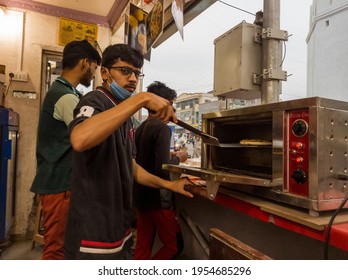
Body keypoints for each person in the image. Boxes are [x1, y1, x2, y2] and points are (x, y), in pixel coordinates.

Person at [64, 44, 193, 260]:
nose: (133, 78)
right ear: (104, 72)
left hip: (118, 223)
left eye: (136, 73)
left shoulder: (123, 116)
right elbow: (79, 139)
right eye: (125, 71)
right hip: (93, 228)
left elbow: (131, 167)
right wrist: (140, 99)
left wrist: (170, 185)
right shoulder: (96, 100)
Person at [30, 40, 101, 260]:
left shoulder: (65, 92)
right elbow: (87, 134)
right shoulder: (66, 97)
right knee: (56, 249)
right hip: (60, 184)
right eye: (95, 68)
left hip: (58, 182)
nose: (94, 73)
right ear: (85, 63)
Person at [133, 81, 188, 260]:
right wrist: (179, 158)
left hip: (141, 197)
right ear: (162, 103)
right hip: (158, 200)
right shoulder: (162, 129)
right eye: (171, 104)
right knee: (174, 245)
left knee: (142, 247)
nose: (173, 110)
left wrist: (170, 154)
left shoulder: (141, 128)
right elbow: (162, 169)